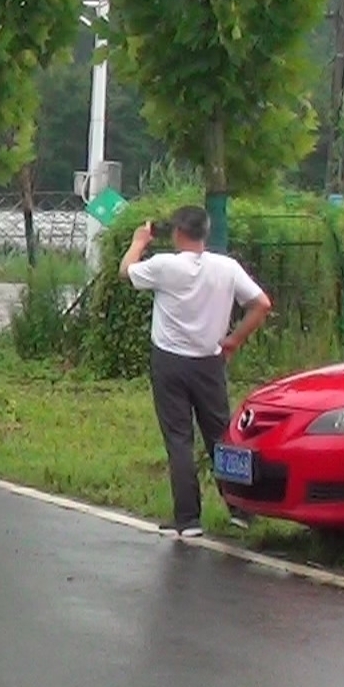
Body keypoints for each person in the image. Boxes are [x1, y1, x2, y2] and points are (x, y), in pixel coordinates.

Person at [120, 205, 274, 537]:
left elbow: (126, 271)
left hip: (170, 361)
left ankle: (188, 518)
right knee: (221, 435)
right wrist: (234, 341)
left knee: (179, 438)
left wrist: (139, 241)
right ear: (205, 232)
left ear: (177, 233)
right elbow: (261, 304)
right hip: (210, 360)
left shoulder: (164, 266)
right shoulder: (227, 268)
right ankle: (241, 507)